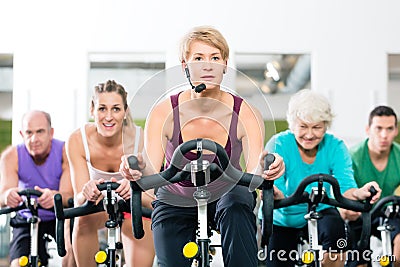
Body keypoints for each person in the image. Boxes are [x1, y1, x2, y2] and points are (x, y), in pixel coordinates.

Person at [119, 25, 285, 267]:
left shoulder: (246, 113)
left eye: (215, 58)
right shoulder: (164, 111)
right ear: (185, 65)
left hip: (227, 195)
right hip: (176, 196)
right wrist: (135, 169)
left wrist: (270, 167)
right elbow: (151, 169)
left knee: (238, 203)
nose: (208, 66)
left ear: (225, 65)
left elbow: (255, 168)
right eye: (198, 58)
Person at [260, 89, 381, 267]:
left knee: (337, 232)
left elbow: (346, 187)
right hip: (282, 216)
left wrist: (360, 193)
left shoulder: (336, 147)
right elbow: (277, 190)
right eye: (303, 127)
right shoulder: (279, 143)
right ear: (293, 125)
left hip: (321, 208)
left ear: (326, 126)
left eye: (316, 127)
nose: (309, 135)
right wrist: (271, 192)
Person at [66, 80, 155, 267]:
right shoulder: (77, 140)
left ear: (125, 111)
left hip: (132, 210)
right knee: (82, 220)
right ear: (92, 110)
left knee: (139, 219)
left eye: (115, 109)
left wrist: (135, 190)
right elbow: (79, 199)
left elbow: (152, 200)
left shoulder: (141, 140)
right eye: (102, 109)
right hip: (96, 208)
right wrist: (87, 191)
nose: (108, 117)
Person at [0, 110, 76, 267]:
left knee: (73, 255)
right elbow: (2, 197)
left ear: (51, 133)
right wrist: (8, 195)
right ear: (22, 134)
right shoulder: (11, 156)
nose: (34, 139)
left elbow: (69, 196)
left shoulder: (65, 152)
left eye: (40, 132)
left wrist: (55, 196)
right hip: (27, 216)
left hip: (58, 216)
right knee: (17, 264)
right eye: (29, 133)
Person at [346, 105, 400, 267]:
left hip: (387, 213)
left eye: (389, 129)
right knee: (359, 263)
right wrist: (347, 210)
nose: (384, 135)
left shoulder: (398, 155)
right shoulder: (352, 157)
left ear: (396, 131)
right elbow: (342, 191)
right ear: (368, 129)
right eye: (379, 129)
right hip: (358, 215)